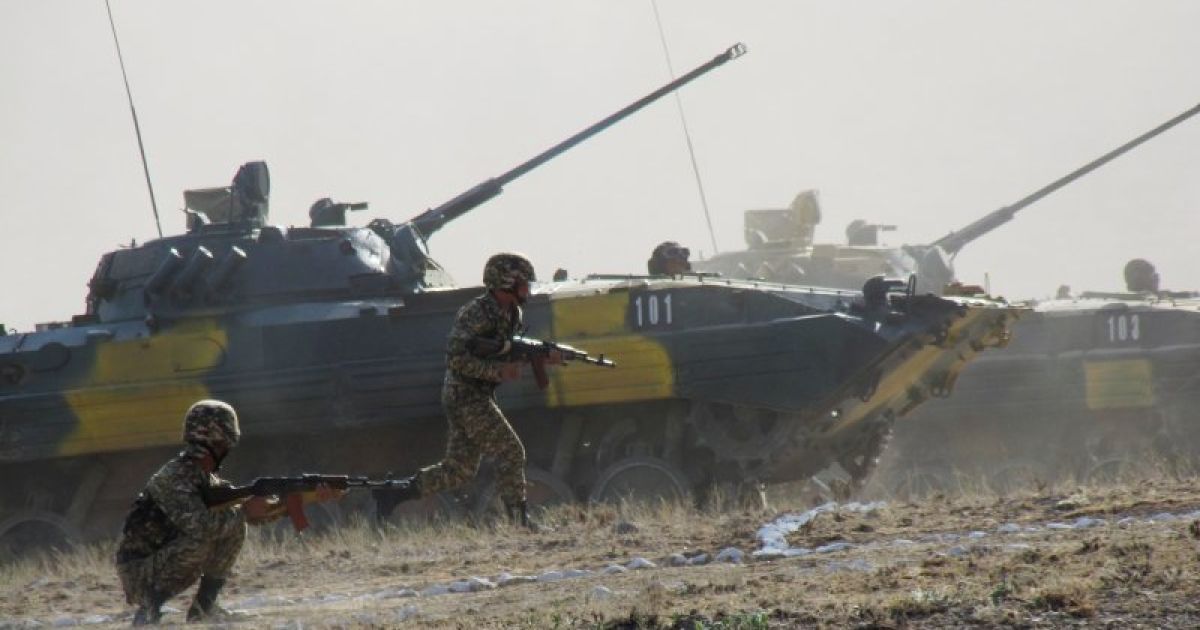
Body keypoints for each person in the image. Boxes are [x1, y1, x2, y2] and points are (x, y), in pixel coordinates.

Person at [115, 400, 341, 625]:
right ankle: (149, 610)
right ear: (212, 442)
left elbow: (251, 517)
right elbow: (202, 526)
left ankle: (204, 608)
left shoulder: (205, 478)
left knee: (235, 525)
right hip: (139, 573)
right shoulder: (175, 477)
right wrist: (244, 511)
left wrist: (300, 500)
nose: (227, 449)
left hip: (159, 561)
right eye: (224, 443)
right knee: (206, 536)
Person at [374, 253, 558, 529]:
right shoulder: (475, 313)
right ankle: (519, 521)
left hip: (476, 394)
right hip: (464, 395)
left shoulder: (512, 314)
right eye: (522, 284)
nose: (527, 290)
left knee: (459, 470)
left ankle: (394, 494)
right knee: (511, 451)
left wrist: (537, 358)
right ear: (505, 283)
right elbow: (456, 358)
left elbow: (502, 351)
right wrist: (497, 372)